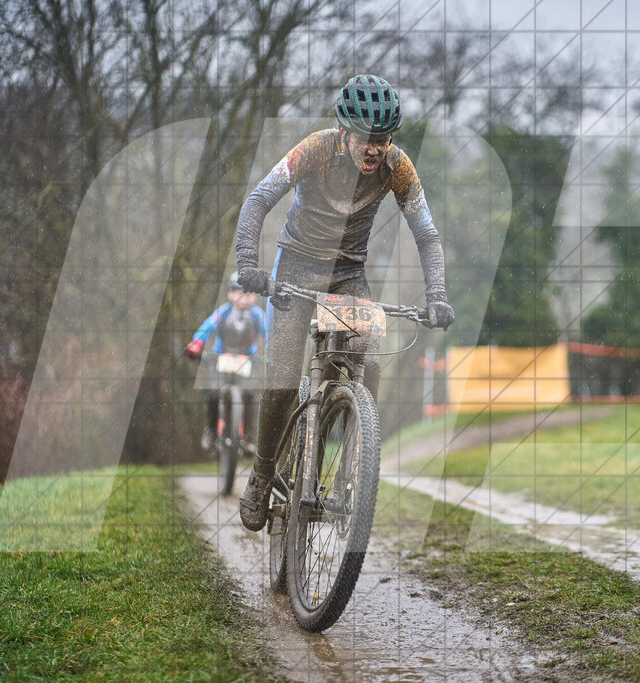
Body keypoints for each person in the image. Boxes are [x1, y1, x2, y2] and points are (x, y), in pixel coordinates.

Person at [233, 74, 455, 531]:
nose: (375, 149)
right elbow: (257, 201)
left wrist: (437, 295)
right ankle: (262, 474)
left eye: (384, 139)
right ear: (344, 131)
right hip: (296, 266)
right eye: (366, 139)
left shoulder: (397, 166)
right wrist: (249, 264)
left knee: (368, 360)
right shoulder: (316, 149)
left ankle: (353, 469)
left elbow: (427, 234)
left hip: (348, 274)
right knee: (281, 382)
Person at [185, 272, 267, 451]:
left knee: (249, 395)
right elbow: (207, 327)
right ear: (230, 294)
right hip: (221, 358)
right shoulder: (223, 312)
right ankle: (210, 431)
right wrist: (197, 343)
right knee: (214, 393)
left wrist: (275, 351)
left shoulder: (257, 315)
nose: (245, 297)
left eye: (249, 293)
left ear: (255, 296)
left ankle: (249, 438)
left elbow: (269, 332)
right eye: (240, 292)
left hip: (247, 360)